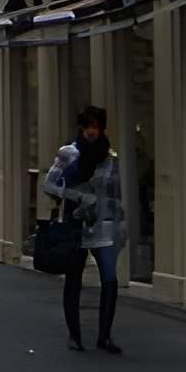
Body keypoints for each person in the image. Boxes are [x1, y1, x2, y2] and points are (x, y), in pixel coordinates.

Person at [44, 102, 126, 353]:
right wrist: (77, 196)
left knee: (110, 279)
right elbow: (49, 184)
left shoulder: (109, 158)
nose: (92, 131)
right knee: (74, 277)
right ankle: (74, 335)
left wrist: (120, 223)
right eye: (88, 126)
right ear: (81, 127)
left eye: (96, 127)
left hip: (102, 223)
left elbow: (114, 193)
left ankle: (105, 335)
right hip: (76, 223)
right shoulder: (69, 153)